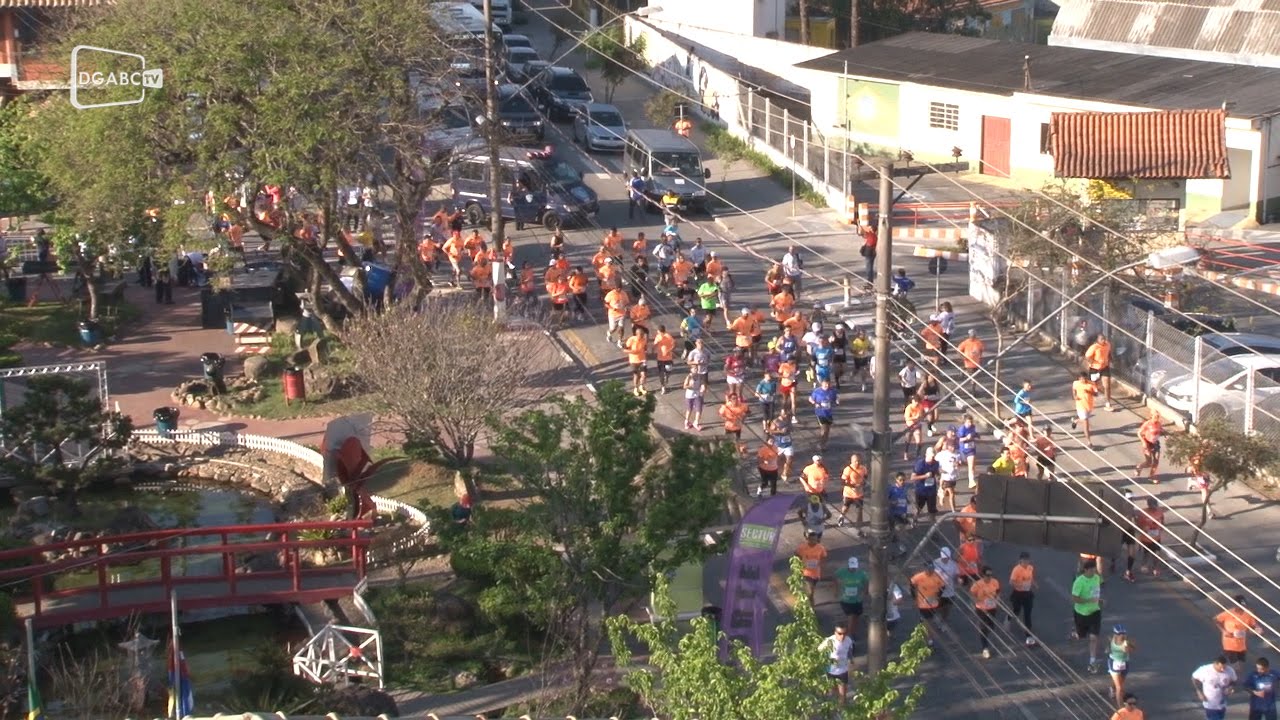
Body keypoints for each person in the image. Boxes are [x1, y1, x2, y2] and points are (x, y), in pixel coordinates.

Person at [1071, 558, 1104, 673]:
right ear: (1085, 570)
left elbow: (1095, 592)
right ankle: (1076, 633)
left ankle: (1092, 661)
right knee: (1081, 635)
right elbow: (1074, 598)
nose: (1093, 572)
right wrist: (1088, 600)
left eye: (1094, 570)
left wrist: (1099, 600)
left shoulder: (1097, 578)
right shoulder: (1079, 582)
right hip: (1081, 613)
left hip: (1095, 612)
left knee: (1093, 638)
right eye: (1091, 570)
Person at [1217, 595, 1262, 678]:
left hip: (1241, 645)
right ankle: (1231, 679)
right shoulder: (1228, 613)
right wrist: (1224, 631)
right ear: (1235, 604)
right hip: (1229, 644)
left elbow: (1253, 624)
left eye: (1244, 605)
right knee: (1235, 665)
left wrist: (1257, 628)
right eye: (1240, 605)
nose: (1242, 607)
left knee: (1240, 664)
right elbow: (1217, 620)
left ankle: (1234, 677)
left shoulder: (1248, 614)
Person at [910, 563, 946, 647]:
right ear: (925, 569)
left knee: (929, 620)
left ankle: (927, 635)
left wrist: (938, 595)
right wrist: (914, 597)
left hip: (933, 603)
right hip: (922, 603)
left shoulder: (937, 576)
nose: (930, 571)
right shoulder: (919, 577)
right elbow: (912, 585)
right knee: (927, 621)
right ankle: (928, 638)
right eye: (929, 570)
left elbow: (943, 586)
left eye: (932, 569)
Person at [1192, 655, 1238, 720]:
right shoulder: (1205, 670)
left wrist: (1230, 687)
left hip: (1222, 703)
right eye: (1220, 667)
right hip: (1210, 703)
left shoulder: (1230, 670)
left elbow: (1234, 681)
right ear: (1215, 664)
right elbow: (1194, 678)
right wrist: (1199, 691)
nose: (1223, 669)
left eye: (1224, 667)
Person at [970, 565, 1000, 658]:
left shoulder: (995, 582)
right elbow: (972, 593)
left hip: (992, 608)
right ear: (983, 575)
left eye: (991, 575)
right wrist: (976, 600)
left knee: (990, 626)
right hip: (981, 609)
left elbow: (998, 591)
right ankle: (985, 648)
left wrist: (997, 599)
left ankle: (986, 636)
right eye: (987, 575)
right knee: (983, 628)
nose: (989, 577)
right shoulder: (978, 584)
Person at [820, 624, 854, 708]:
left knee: (843, 695)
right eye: (839, 633)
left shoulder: (848, 640)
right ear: (835, 633)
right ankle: (834, 708)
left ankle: (841, 709)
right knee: (832, 693)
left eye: (844, 633)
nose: (842, 636)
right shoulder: (829, 641)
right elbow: (819, 650)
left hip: (843, 671)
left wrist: (851, 659)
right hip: (831, 671)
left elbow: (849, 650)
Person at [1009, 551, 1038, 646]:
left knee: (1027, 614)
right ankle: (1009, 618)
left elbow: (1030, 578)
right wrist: (1020, 585)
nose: (1026, 562)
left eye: (1027, 560)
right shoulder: (1016, 569)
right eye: (1024, 560)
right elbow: (1011, 582)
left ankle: (1028, 636)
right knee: (1016, 611)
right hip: (1018, 594)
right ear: (1020, 560)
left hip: (1027, 594)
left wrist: (1034, 584)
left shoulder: (1030, 567)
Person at [836, 557, 869, 635]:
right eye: (851, 567)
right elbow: (835, 577)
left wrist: (865, 591)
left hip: (857, 600)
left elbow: (866, 581)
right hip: (846, 600)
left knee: (856, 617)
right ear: (848, 565)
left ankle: (852, 631)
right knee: (851, 616)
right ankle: (850, 635)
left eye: (854, 567)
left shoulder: (862, 574)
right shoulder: (842, 572)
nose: (853, 569)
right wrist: (837, 589)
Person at [1107, 624, 1136, 709]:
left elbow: (1133, 649)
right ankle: (1120, 708)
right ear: (1115, 634)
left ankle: (1112, 688)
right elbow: (1128, 650)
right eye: (1120, 634)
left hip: (1124, 663)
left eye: (1123, 633)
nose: (1122, 635)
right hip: (1114, 664)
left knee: (1120, 684)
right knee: (1119, 688)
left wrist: (1129, 645)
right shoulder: (1116, 640)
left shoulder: (1125, 641)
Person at [796, 530, 828, 605]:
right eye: (811, 539)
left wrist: (821, 564)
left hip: (816, 573)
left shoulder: (820, 548)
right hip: (805, 572)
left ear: (817, 539)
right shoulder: (802, 547)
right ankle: (810, 604)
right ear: (808, 539)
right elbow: (796, 554)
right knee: (810, 590)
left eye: (815, 539)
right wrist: (799, 563)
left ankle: (810, 599)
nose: (813, 541)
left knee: (812, 589)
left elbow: (824, 557)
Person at [1136, 497, 1165, 577]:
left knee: (1157, 553)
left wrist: (1160, 528)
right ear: (1149, 505)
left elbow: (1162, 521)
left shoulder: (1160, 512)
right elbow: (1138, 524)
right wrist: (1144, 528)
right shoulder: (1143, 513)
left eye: (1155, 505)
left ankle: (1155, 568)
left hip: (1156, 537)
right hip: (1146, 538)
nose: (1154, 507)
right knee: (1146, 553)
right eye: (1152, 506)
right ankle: (1144, 565)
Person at [1085, 334, 1116, 410]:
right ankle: (1090, 396)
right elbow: (1087, 356)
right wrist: (1093, 362)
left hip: (1105, 367)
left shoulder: (1108, 344)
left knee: (1107, 386)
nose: (1103, 341)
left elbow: (1108, 352)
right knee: (1093, 385)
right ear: (1097, 340)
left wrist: (1111, 360)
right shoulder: (1094, 347)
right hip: (1094, 368)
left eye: (1104, 339)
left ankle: (1108, 403)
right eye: (1101, 339)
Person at [839, 454, 867, 534]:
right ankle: (842, 516)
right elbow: (843, 482)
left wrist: (862, 484)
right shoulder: (848, 469)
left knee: (859, 510)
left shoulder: (863, 468)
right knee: (846, 507)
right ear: (851, 461)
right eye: (855, 461)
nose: (857, 463)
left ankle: (859, 528)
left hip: (859, 494)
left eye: (858, 461)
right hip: (849, 493)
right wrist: (853, 486)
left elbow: (865, 477)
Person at [911, 447, 940, 520]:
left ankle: (934, 525)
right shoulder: (920, 464)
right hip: (921, 491)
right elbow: (913, 477)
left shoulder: (936, 463)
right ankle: (914, 521)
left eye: (933, 456)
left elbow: (937, 472)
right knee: (918, 509)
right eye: (931, 456)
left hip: (931, 491)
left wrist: (938, 477)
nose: (932, 458)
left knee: (932, 510)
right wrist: (925, 476)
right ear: (926, 454)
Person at [809, 379, 838, 450]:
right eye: (825, 384)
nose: (827, 386)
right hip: (820, 413)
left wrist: (837, 401)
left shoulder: (832, 391)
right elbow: (810, 398)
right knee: (824, 429)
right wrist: (815, 403)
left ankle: (823, 444)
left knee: (827, 431)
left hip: (829, 413)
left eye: (828, 384)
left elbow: (836, 398)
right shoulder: (817, 391)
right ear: (822, 384)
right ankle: (821, 445)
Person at [1136, 412, 1164, 483]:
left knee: (1156, 460)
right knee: (1149, 462)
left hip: (1155, 443)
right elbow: (1139, 433)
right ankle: (1140, 467)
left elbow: (1161, 430)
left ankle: (1151, 476)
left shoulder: (1159, 423)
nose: (1157, 418)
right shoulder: (1147, 423)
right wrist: (1143, 442)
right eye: (1155, 416)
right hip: (1147, 443)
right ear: (1151, 416)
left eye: (1158, 416)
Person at [933, 547, 959, 622]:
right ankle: (936, 619)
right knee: (937, 607)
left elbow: (956, 575)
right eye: (944, 558)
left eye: (947, 557)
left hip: (950, 591)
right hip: (938, 591)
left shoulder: (953, 564)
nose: (945, 559)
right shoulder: (935, 563)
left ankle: (943, 620)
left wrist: (958, 580)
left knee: (947, 608)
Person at [770, 409, 796, 481]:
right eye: (784, 414)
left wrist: (789, 429)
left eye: (786, 414)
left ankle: (784, 473)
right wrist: (780, 431)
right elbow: (771, 431)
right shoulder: (776, 421)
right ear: (781, 414)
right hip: (778, 444)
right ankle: (776, 472)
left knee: (789, 459)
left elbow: (792, 428)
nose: (786, 415)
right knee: (778, 460)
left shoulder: (788, 420)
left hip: (788, 444)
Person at [957, 414, 981, 489]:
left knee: (972, 465)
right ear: (964, 422)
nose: (970, 424)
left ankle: (971, 481)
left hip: (971, 449)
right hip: (963, 449)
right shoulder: (962, 429)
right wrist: (966, 438)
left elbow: (974, 433)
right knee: (962, 464)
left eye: (971, 422)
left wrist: (977, 435)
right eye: (968, 422)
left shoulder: (973, 427)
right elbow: (959, 439)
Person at [652, 325, 677, 394]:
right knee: (661, 373)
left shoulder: (668, 336)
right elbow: (654, 345)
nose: (657, 332)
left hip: (668, 357)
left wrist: (670, 350)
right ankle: (663, 387)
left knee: (668, 370)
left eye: (658, 331)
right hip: (660, 358)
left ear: (660, 331)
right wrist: (653, 348)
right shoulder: (658, 337)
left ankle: (667, 377)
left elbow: (675, 344)